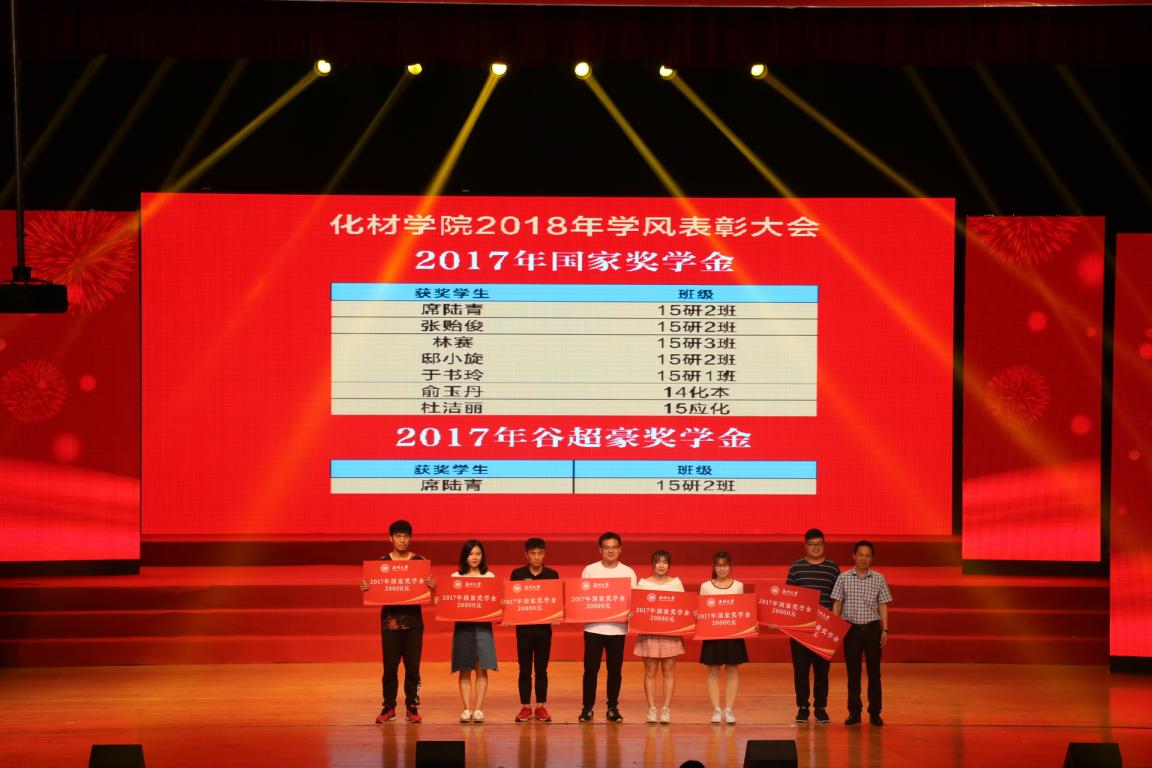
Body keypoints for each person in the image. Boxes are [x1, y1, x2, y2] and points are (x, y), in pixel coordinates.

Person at [362, 519, 435, 724]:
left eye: (405, 536)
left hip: (414, 624)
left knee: (413, 669)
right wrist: (367, 587)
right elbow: (374, 589)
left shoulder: (419, 561)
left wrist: (431, 586)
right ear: (391, 538)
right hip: (390, 624)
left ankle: (412, 706)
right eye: (398, 536)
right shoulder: (381, 563)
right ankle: (389, 707)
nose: (402, 540)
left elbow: (428, 592)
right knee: (390, 669)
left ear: (410, 538)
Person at [831, 540, 893, 727]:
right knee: (853, 674)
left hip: (873, 629)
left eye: (867, 556)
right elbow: (837, 604)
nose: (864, 558)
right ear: (854, 556)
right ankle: (854, 712)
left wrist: (885, 629)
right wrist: (835, 628)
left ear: (872, 558)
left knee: (874, 673)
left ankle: (875, 712)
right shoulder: (843, 578)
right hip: (851, 631)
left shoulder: (879, 578)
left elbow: (883, 604)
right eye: (860, 555)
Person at [579, 531, 638, 723]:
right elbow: (581, 598)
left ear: (620, 550)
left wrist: (631, 612)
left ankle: (612, 708)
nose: (610, 551)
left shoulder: (628, 572)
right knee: (590, 669)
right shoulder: (590, 570)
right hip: (593, 629)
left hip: (617, 630)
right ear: (600, 550)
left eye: (614, 547)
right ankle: (587, 708)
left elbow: (635, 600)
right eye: (606, 548)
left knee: (615, 671)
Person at [785, 528, 841, 724]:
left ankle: (820, 708)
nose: (815, 548)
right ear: (805, 546)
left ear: (824, 545)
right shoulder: (796, 567)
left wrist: (835, 623)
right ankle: (802, 708)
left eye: (819, 544)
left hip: (824, 629)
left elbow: (838, 598)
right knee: (801, 671)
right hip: (800, 629)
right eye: (812, 544)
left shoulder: (833, 568)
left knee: (822, 672)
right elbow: (788, 596)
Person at [445, 539, 499, 723]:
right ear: (464, 556)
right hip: (463, 628)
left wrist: (500, 604)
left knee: (481, 669)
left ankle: (479, 709)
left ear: (483, 556)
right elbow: (449, 604)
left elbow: (495, 602)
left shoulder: (489, 577)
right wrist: (442, 602)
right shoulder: (455, 577)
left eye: (478, 554)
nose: (474, 557)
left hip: (483, 628)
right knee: (465, 669)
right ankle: (467, 709)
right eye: (470, 554)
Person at [509, 537, 559, 723]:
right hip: (523, 632)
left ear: (544, 554)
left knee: (541, 670)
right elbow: (512, 600)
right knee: (524, 670)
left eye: (540, 553)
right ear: (526, 555)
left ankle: (540, 706)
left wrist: (557, 613)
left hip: (544, 632)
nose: (536, 557)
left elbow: (555, 601)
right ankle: (525, 707)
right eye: (533, 553)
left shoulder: (552, 575)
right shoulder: (517, 574)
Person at [634, 549, 685, 724]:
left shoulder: (676, 584)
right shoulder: (643, 584)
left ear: (669, 565)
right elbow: (637, 607)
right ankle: (651, 709)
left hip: (670, 634)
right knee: (650, 672)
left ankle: (665, 709)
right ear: (653, 564)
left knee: (669, 671)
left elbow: (683, 608)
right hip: (649, 633)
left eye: (664, 562)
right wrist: (633, 614)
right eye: (658, 561)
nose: (661, 565)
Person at [699, 551, 748, 724]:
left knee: (732, 670)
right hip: (712, 635)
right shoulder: (706, 586)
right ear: (713, 567)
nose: (722, 569)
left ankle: (729, 710)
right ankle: (716, 710)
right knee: (712, 671)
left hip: (733, 635)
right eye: (718, 566)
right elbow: (701, 609)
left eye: (725, 565)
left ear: (730, 566)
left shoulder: (738, 586)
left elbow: (742, 610)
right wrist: (698, 614)